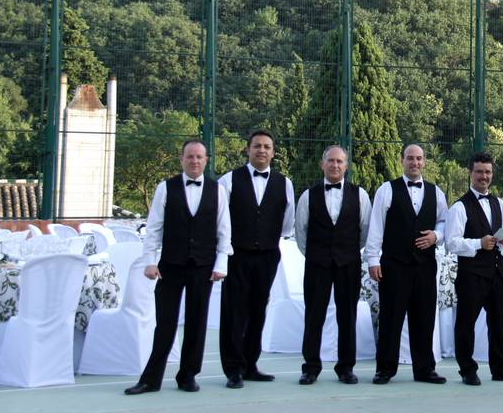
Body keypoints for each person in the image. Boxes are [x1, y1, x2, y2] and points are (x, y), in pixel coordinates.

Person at [125, 139, 232, 395]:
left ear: (206, 160)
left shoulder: (218, 190)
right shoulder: (166, 187)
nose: (194, 161)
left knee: (197, 323)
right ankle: (151, 379)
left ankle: (188, 375)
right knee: (165, 323)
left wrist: (221, 264)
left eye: (199, 157)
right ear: (181, 159)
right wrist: (150, 261)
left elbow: (224, 231)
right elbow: (153, 228)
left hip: (202, 267)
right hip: (170, 265)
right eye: (190, 156)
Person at [366, 143, 448, 385]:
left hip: (425, 266)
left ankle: (424, 369)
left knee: (424, 318)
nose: (415, 163)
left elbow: (445, 221)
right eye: (410, 158)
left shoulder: (437, 193)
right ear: (402, 160)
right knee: (391, 318)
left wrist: (436, 236)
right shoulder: (386, 190)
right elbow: (376, 227)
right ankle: (385, 369)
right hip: (394, 265)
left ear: (424, 161)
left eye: (419, 158)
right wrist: (372, 259)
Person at [218, 130, 295, 388]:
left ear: (273, 152)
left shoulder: (285, 183)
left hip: (267, 256)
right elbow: (221, 220)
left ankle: (251, 365)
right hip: (236, 255)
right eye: (257, 146)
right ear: (247, 150)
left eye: (267, 146)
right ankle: (233, 369)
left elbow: (287, 222)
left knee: (258, 310)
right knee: (234, 312)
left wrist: (268, 239)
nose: (262, 150)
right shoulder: (228, 180)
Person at [446, 152, 503, 386]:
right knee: (466, 323)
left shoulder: (500, 203)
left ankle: (501, 367)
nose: (484, 176)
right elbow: (451, 242)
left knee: (499, 321)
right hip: (471, 274)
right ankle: (467, 369)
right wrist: (477, 243)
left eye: (488, 172)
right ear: (470, 173)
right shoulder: (459, 207)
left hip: (497, 272)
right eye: (480, 172)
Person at [295, 145, 371, 385]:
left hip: (349, 263)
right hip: (317, 264)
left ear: (346, 166)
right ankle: (311, 367)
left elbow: (365, 232)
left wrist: (346, 251)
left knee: (347, 316)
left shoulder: (360, 195)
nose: (335, 165)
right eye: (331, 161)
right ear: (322, 164)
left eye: (340, 162)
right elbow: (301, 234)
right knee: (313, 316)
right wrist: (318, 254)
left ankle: (346, 367)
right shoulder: (308, 195)